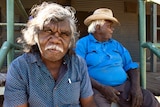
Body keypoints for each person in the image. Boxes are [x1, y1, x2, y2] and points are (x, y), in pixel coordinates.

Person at [3, 2, 97, 107]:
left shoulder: (78, 64)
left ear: (70, 40)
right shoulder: (19, 68)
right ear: (35, 35)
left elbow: (88, 102)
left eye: (64, 34)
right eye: (48, 31)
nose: (56, 40)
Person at [75, 8, 160, 107]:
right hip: (96, 88)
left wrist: (136, 87)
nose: (112, 29)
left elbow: (131, 66)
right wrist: (103, 88)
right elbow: (79, 71)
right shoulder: (82, 44)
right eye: (109, 26)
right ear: (98, 27)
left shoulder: (116, 45)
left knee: (149, 98)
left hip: (123, 85)